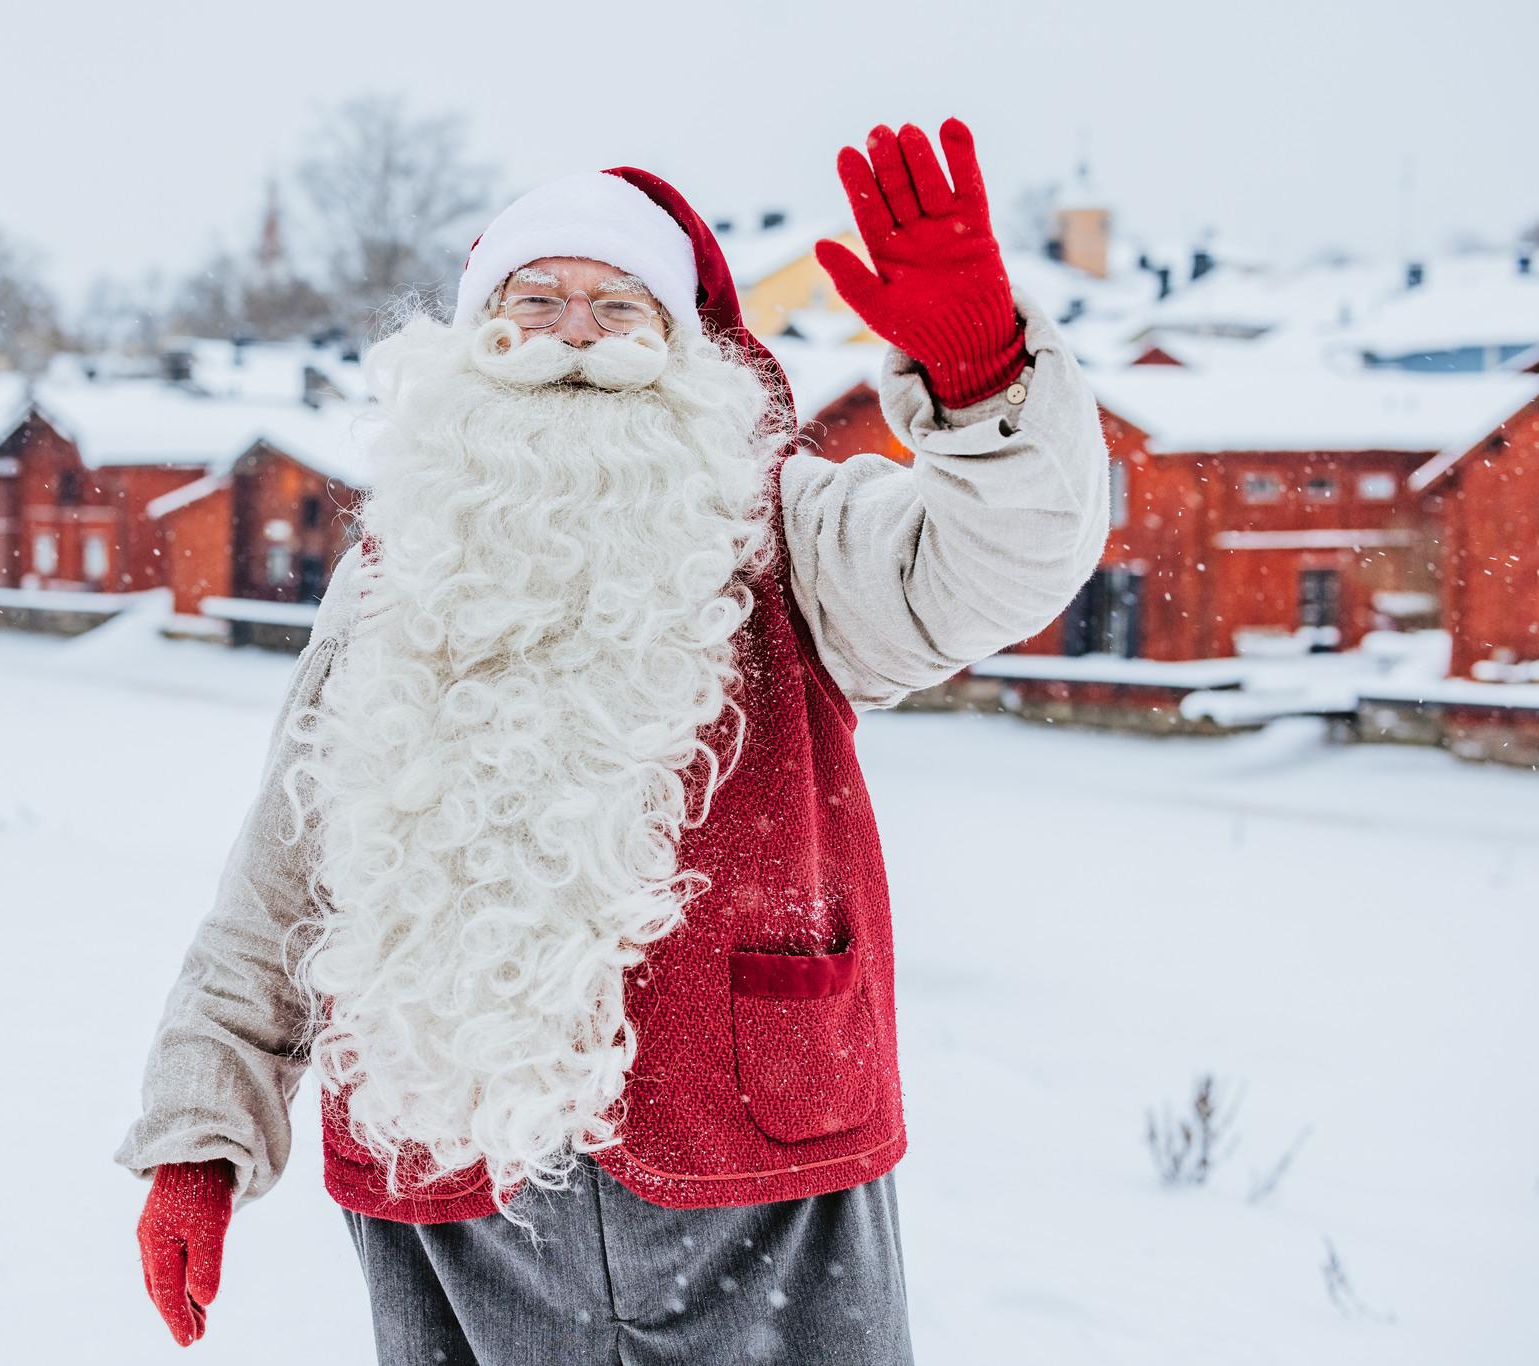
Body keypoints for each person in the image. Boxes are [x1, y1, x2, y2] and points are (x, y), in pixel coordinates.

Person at [117, 118, 1111, 1365]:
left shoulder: (784, 529)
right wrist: (201, 1136)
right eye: (534, 301)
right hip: (449, 1177)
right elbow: (283, 880)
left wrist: (983, 386)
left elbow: (994, 567)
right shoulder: (392, 571)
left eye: (615, 306)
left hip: (761, 1161)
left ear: (683, 348)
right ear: (475, 340)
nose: (573, 335)